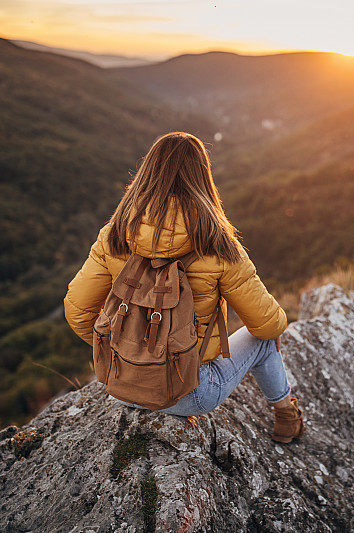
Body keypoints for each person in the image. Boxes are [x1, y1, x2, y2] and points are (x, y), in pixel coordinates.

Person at [63, 131, 304, 443]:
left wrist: (125, 355)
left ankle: (134, 372)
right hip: (188, 394)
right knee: (263, 340)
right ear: (202, 177)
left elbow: (77, 311)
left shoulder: (115, 234)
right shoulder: (218, 244)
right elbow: (268, 323)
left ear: (147, 173)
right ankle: (286, 417)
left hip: (120, 385)